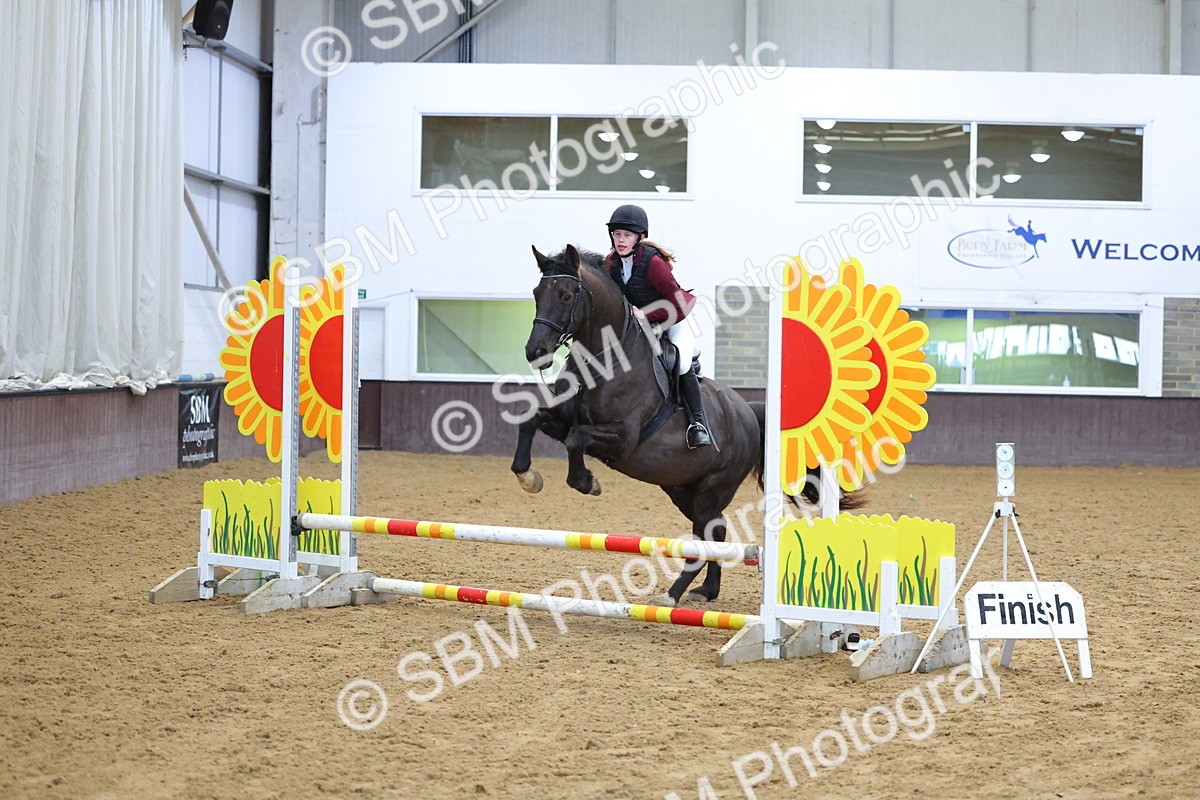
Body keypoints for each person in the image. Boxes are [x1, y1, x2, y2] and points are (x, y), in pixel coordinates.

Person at [602, 204, 712, 448]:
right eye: (617, 234)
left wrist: (646, 313)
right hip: (642, 325)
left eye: (627, 235)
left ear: (639, 238)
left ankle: (698, 424)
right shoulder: (610, 263)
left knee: (681, 362)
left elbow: (678, 304)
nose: (621, 240)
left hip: (676, 318)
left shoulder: (653, 264)